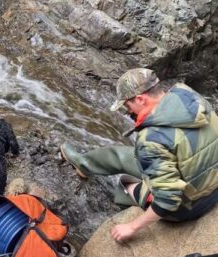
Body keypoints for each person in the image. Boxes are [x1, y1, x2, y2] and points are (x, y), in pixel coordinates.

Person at [61, 68, 218, 242]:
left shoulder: (152, 139)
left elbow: (168, 200)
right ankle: (84, 164)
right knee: (125, 155)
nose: (129, 112)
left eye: (128, 106)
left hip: (189, 206)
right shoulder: (189, 96)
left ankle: (124, 210)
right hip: (212, 184)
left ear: (141, 99)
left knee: (124, 184)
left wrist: (132, 226)